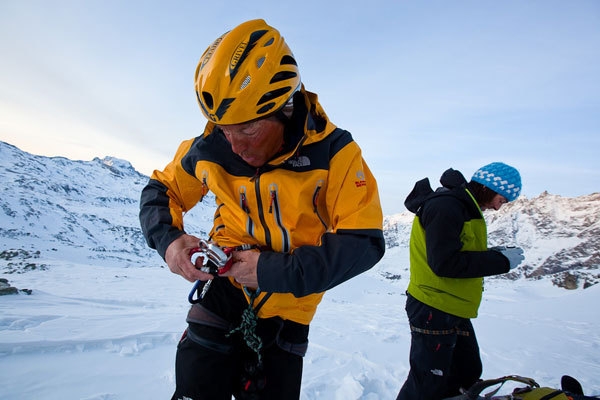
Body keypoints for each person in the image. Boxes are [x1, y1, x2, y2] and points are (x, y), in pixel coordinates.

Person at [139, 19, 385, 400]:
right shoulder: (206, 149)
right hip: (221, 293)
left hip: (289, 312)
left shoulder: (336, 154)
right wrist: (168, 241)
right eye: (224, 129)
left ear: (285, 108)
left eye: (249, 130)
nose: (234, 146)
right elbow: (161, 189)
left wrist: (271, 271)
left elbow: (363, 242)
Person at [396, 162, 524, 400]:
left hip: (451, 305)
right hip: (433, 306)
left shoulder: (462, 207)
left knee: (466, 373)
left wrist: (495, 254)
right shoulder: (447, 206)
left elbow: (456, 251)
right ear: (489, 187)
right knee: (428, 381)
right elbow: (444, 262)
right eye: (502, 199)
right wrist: (499, 261)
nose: (499, 208)